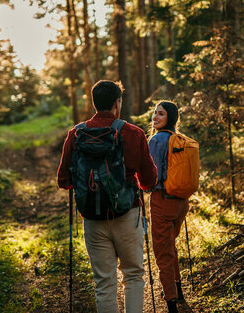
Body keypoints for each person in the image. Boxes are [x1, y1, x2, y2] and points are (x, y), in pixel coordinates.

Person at [57, 80, 157, 313]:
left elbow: (63, 181)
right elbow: (149, 180)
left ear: (94, 102)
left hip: (92, 218)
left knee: (104, 283)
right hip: (127, 214)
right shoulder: (133, 133)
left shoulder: (76, 133)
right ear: (117, 103)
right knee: (133, 275)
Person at [148, 101, 189, 313]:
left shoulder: (156, 140)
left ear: (170, 118)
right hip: (181, 202)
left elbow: (151, 175)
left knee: (163, 252)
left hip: (162, 201)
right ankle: (178, 289)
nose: (155, 117)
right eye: (155, 113)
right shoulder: (180, 139)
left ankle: (171, 302)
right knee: (170, 245)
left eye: (161, 114)